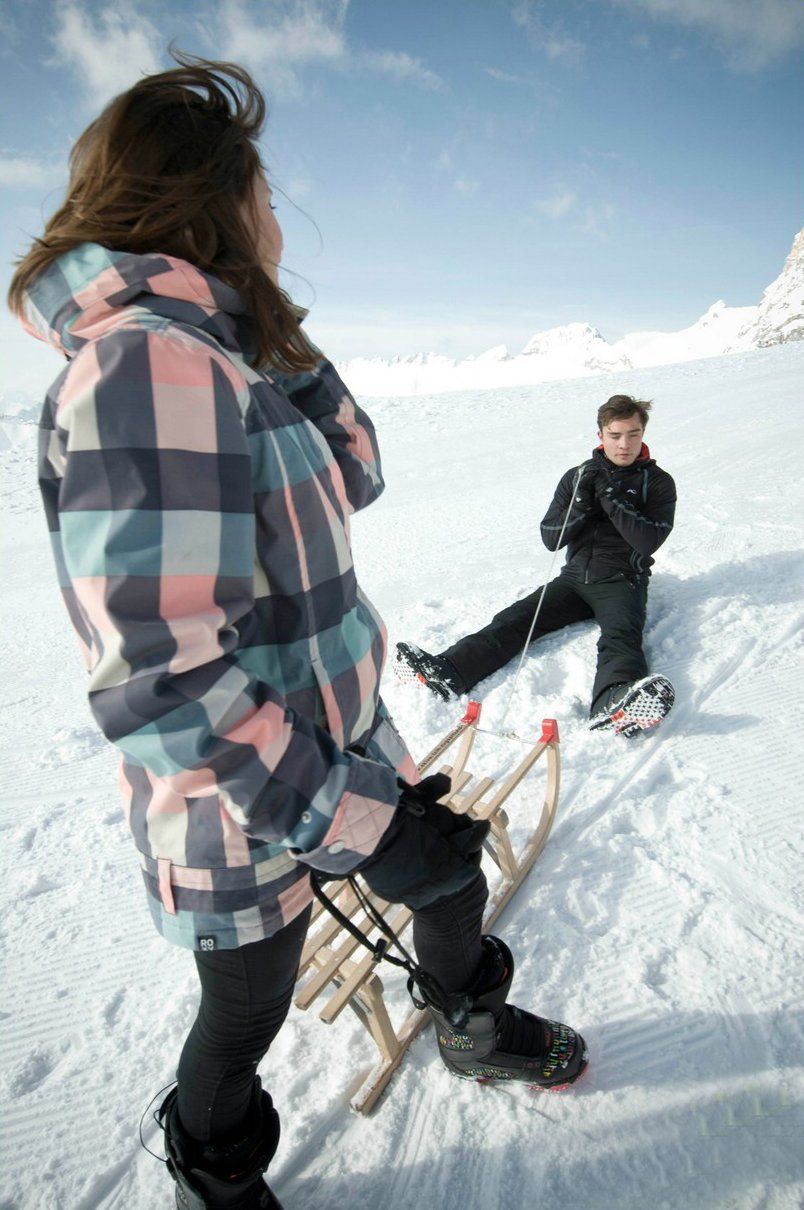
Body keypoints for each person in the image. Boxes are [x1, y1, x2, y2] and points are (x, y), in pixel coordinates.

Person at [9, 55, 587, 1210]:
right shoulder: (145, 367)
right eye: (262, 195)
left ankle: (465, 1022)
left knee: (451, 877)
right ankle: (214, 1171)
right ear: (209, 200)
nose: (279, 215)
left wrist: (277, 331)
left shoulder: (220, 355)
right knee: (248, 1005)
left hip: (340, 745)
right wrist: (358, 826)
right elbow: (165, 681)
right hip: (244, 801)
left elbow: (360, 469)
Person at [395, 395, 677, 735]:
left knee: (621, 637)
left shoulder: (658, 482)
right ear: (600, 434)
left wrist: (610, 499)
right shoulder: (576, 477)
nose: (624, 444)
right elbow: (551, 538)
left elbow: (648, 541)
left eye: (633, 434)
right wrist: (582, 505)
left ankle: (612, 703)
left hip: (621, 581)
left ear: (643, 433)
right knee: (513, 620)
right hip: (573, 580)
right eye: (615, 435)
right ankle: (448, 672)